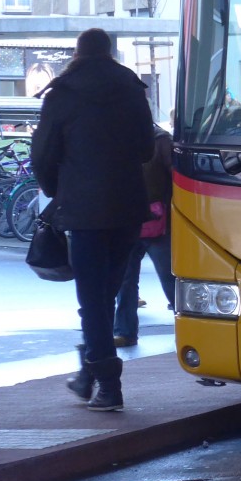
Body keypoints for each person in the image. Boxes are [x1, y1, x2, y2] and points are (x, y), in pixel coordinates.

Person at [31, 27, 154, 412]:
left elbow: (43, 155)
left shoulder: (61, 94)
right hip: (127, 208)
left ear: (77, 54)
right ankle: (89, 374)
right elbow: (147, 149)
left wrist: (58, 190)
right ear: (111, 52)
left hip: (84, 212)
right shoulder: (132, 88)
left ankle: (107, 384)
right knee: (106, 293)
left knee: (92, 300)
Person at [113, 123, 174, 347]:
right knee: (126, 281)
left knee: (169, 279)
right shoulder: (120, 138)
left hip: (155, 221)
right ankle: (124, 331)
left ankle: (191, 327)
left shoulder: (161, 140)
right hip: (133, 221)